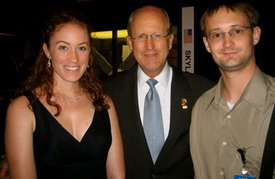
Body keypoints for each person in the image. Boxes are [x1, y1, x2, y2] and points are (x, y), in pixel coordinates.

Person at [4, 9, 125, 179]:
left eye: (81, 48)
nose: (74, 58)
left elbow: (117, 175)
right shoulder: (23, 110)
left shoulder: (104, 103)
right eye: (63, 47)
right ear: (47, 50)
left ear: (90, 52)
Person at [104, 5, 215, 178]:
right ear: (130, 43)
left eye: (156, 35)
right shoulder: (107, 93)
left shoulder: (203, 91)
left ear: (170, 41)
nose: (149, 45)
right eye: (141, 36)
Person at [190, 2, 275, 179]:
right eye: (217, 34)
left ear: (255, 35)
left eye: (237, 31)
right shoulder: (201, 108)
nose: (227, 42)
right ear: (207, 44)